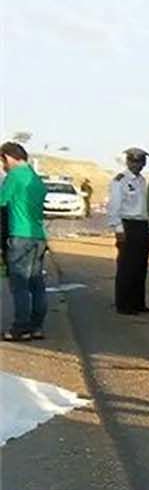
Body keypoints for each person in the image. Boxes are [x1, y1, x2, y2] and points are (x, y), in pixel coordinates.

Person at [1, 142, 49, 341]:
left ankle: (19, 327)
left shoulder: (14, 176)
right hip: (38, 236)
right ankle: (36, 326)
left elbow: (2, 202)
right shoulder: (35, 178)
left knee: (19, 283)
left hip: (19, 235)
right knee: (36, 283)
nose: (3, 167)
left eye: (2, 162)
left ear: (7, 157)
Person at [107, 147, 149, 315]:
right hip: (127, 225)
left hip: (141, 225)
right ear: (128, 162)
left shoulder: (142, 181)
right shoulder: (120, 181)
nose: (138, 165)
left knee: (141, 267)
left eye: (141, 162)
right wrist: (118, 229)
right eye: (134, 161)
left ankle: (138, 303)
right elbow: (114, 206)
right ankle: (124, 304)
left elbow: (146, 208)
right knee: (127, 267)